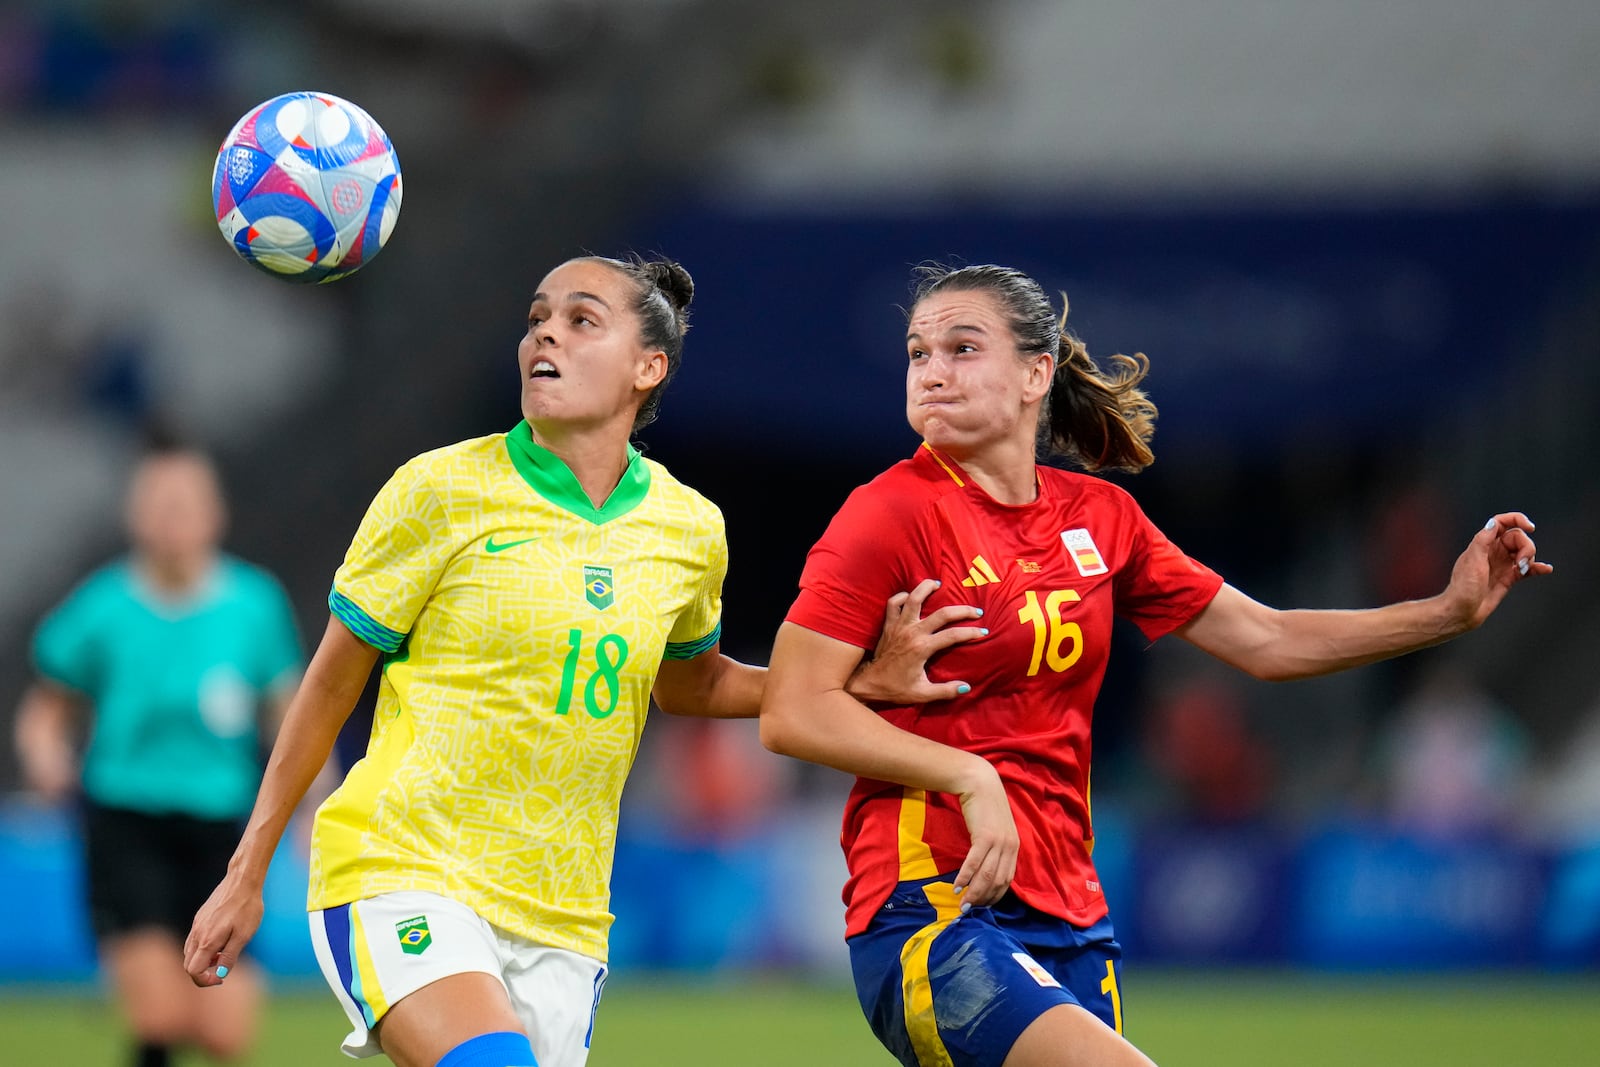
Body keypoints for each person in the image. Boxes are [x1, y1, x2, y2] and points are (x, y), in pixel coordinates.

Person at [181, 254, 975, 1067]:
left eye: (581, 319)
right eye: (536, 319)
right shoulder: (440, 489)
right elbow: (331, 682)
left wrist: (854, 679)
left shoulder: (687, 528)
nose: (545, 334)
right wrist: (249, 870)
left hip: (564, 914)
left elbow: (690, 683)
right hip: (404, 868)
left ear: (648, 366)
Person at [759, 262, 1552, 1067]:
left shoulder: (1100, 515)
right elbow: (792, 708)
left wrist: (1447, 611)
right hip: (932, 901)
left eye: (962, 347)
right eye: (918, 351)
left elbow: (1267, 640)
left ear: (1037, 373)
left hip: (1069, 911)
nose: (932, 370)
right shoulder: (888, 512)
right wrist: (969, 775)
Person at [14, 441, 304, 1067]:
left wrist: (315, 805)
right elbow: (47, 708)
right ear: (136, 515)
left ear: (214, 512)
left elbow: (293, 718)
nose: (173, 516)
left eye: (186, 502)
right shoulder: (103, 606)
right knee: (164, 1013)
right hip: (128, 821)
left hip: (223, 834)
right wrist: (44, 754)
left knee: (226, 1032)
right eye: (159, 503)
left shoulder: (254, 605)